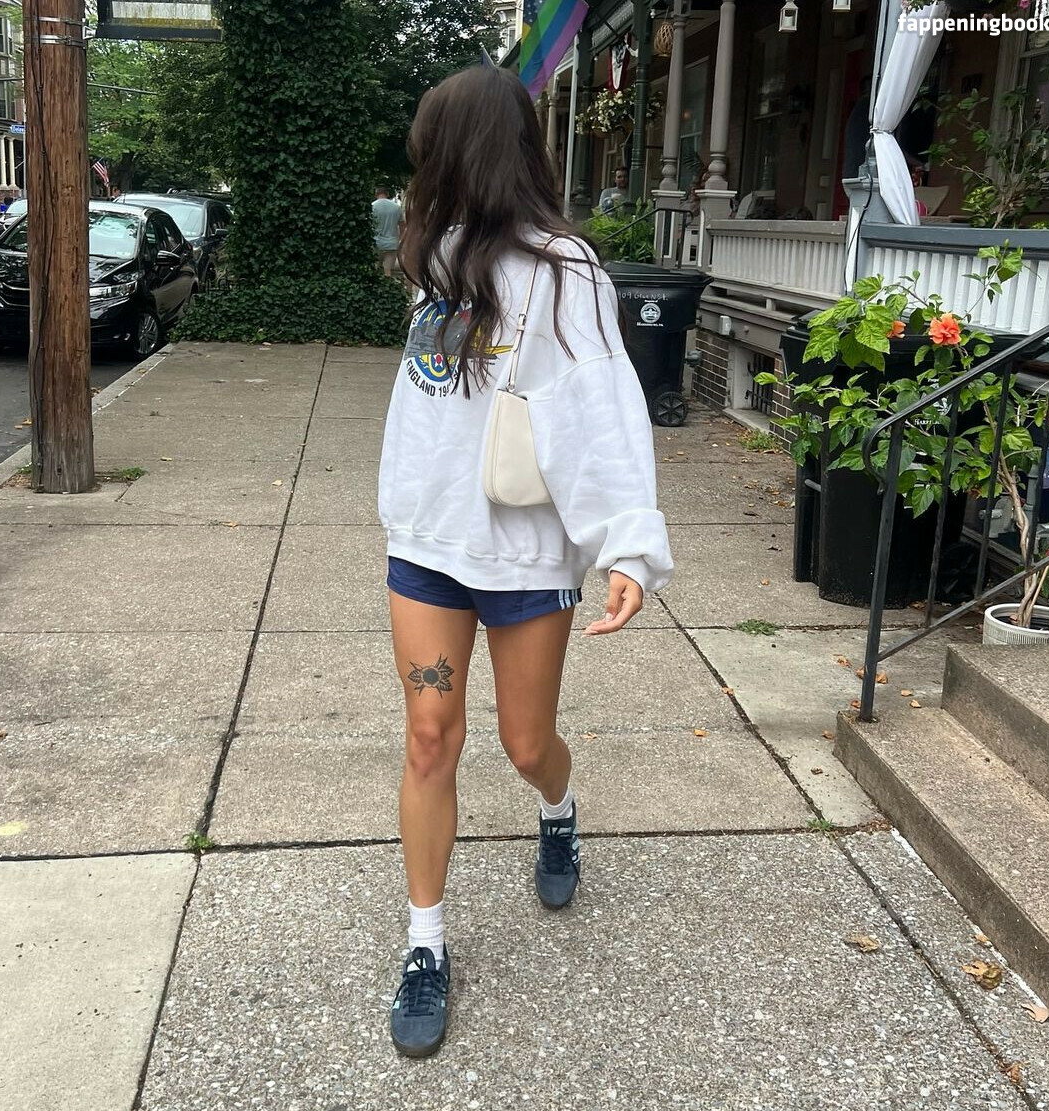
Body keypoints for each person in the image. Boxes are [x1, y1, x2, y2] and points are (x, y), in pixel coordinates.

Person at [378, 65, 673, 1060]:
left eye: (432, 147)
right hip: (428, 544)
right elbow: (428, 406)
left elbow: (606, 411)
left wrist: (627, 542)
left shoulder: (566, 272)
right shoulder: (437, 254)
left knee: (525, 742)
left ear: (465, 150)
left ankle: (559, 808)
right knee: (430, 735)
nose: (422, 165)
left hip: (525, 548)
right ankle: (425, 944)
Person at [372, 184, 403, 277]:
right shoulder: (396, 207)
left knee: (374, 269)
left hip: (376, 242)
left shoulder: (372, 206)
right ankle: (387, 283)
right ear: (387, 194)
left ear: (376, 194)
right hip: (392, 243)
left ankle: (374, 284)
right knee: (388, 270)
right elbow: (402, 225)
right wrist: (401, 239)